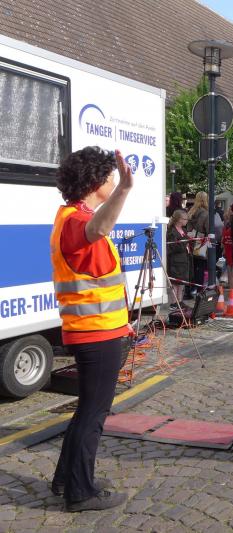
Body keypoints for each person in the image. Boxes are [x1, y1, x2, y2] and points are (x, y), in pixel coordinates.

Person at [50, 146, 132, 511]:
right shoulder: (76, 222)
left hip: (95, 330)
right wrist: (124, 189)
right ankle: (80, 492)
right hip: (95, 332)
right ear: (96, 181)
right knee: (93, 414)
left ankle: (66, 479)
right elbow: (99, 228)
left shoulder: (71, 217)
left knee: (87, 410)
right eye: (110, 177)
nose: (113, 181)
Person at [166, 209, 193, 304]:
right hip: (176, 261)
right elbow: (173, 247)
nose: (187, 221)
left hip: (184, 260)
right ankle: (174, 303)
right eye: (185, 219)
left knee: (182, 284)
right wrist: (186, 240)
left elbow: (185, 244)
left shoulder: (183, 230)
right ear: (179, 220)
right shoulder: (172, 232)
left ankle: (180, 301)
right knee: (175, 283)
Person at [186, 191, 209, 296]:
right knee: (200, 266)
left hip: (191, 241)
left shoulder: (191, 211)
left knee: (192, 266)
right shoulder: (206, 213)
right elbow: (208, 229)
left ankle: (190, 289)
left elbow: (188, 228)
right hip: (201, 242)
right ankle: (199, 289)